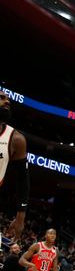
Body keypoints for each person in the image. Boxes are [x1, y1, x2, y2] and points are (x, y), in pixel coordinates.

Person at [0, 90, 29, 240]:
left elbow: (23, 181)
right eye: (1, 98)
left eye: (8, 99)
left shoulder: (16, 139)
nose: (7, 102)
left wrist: (20, 216)